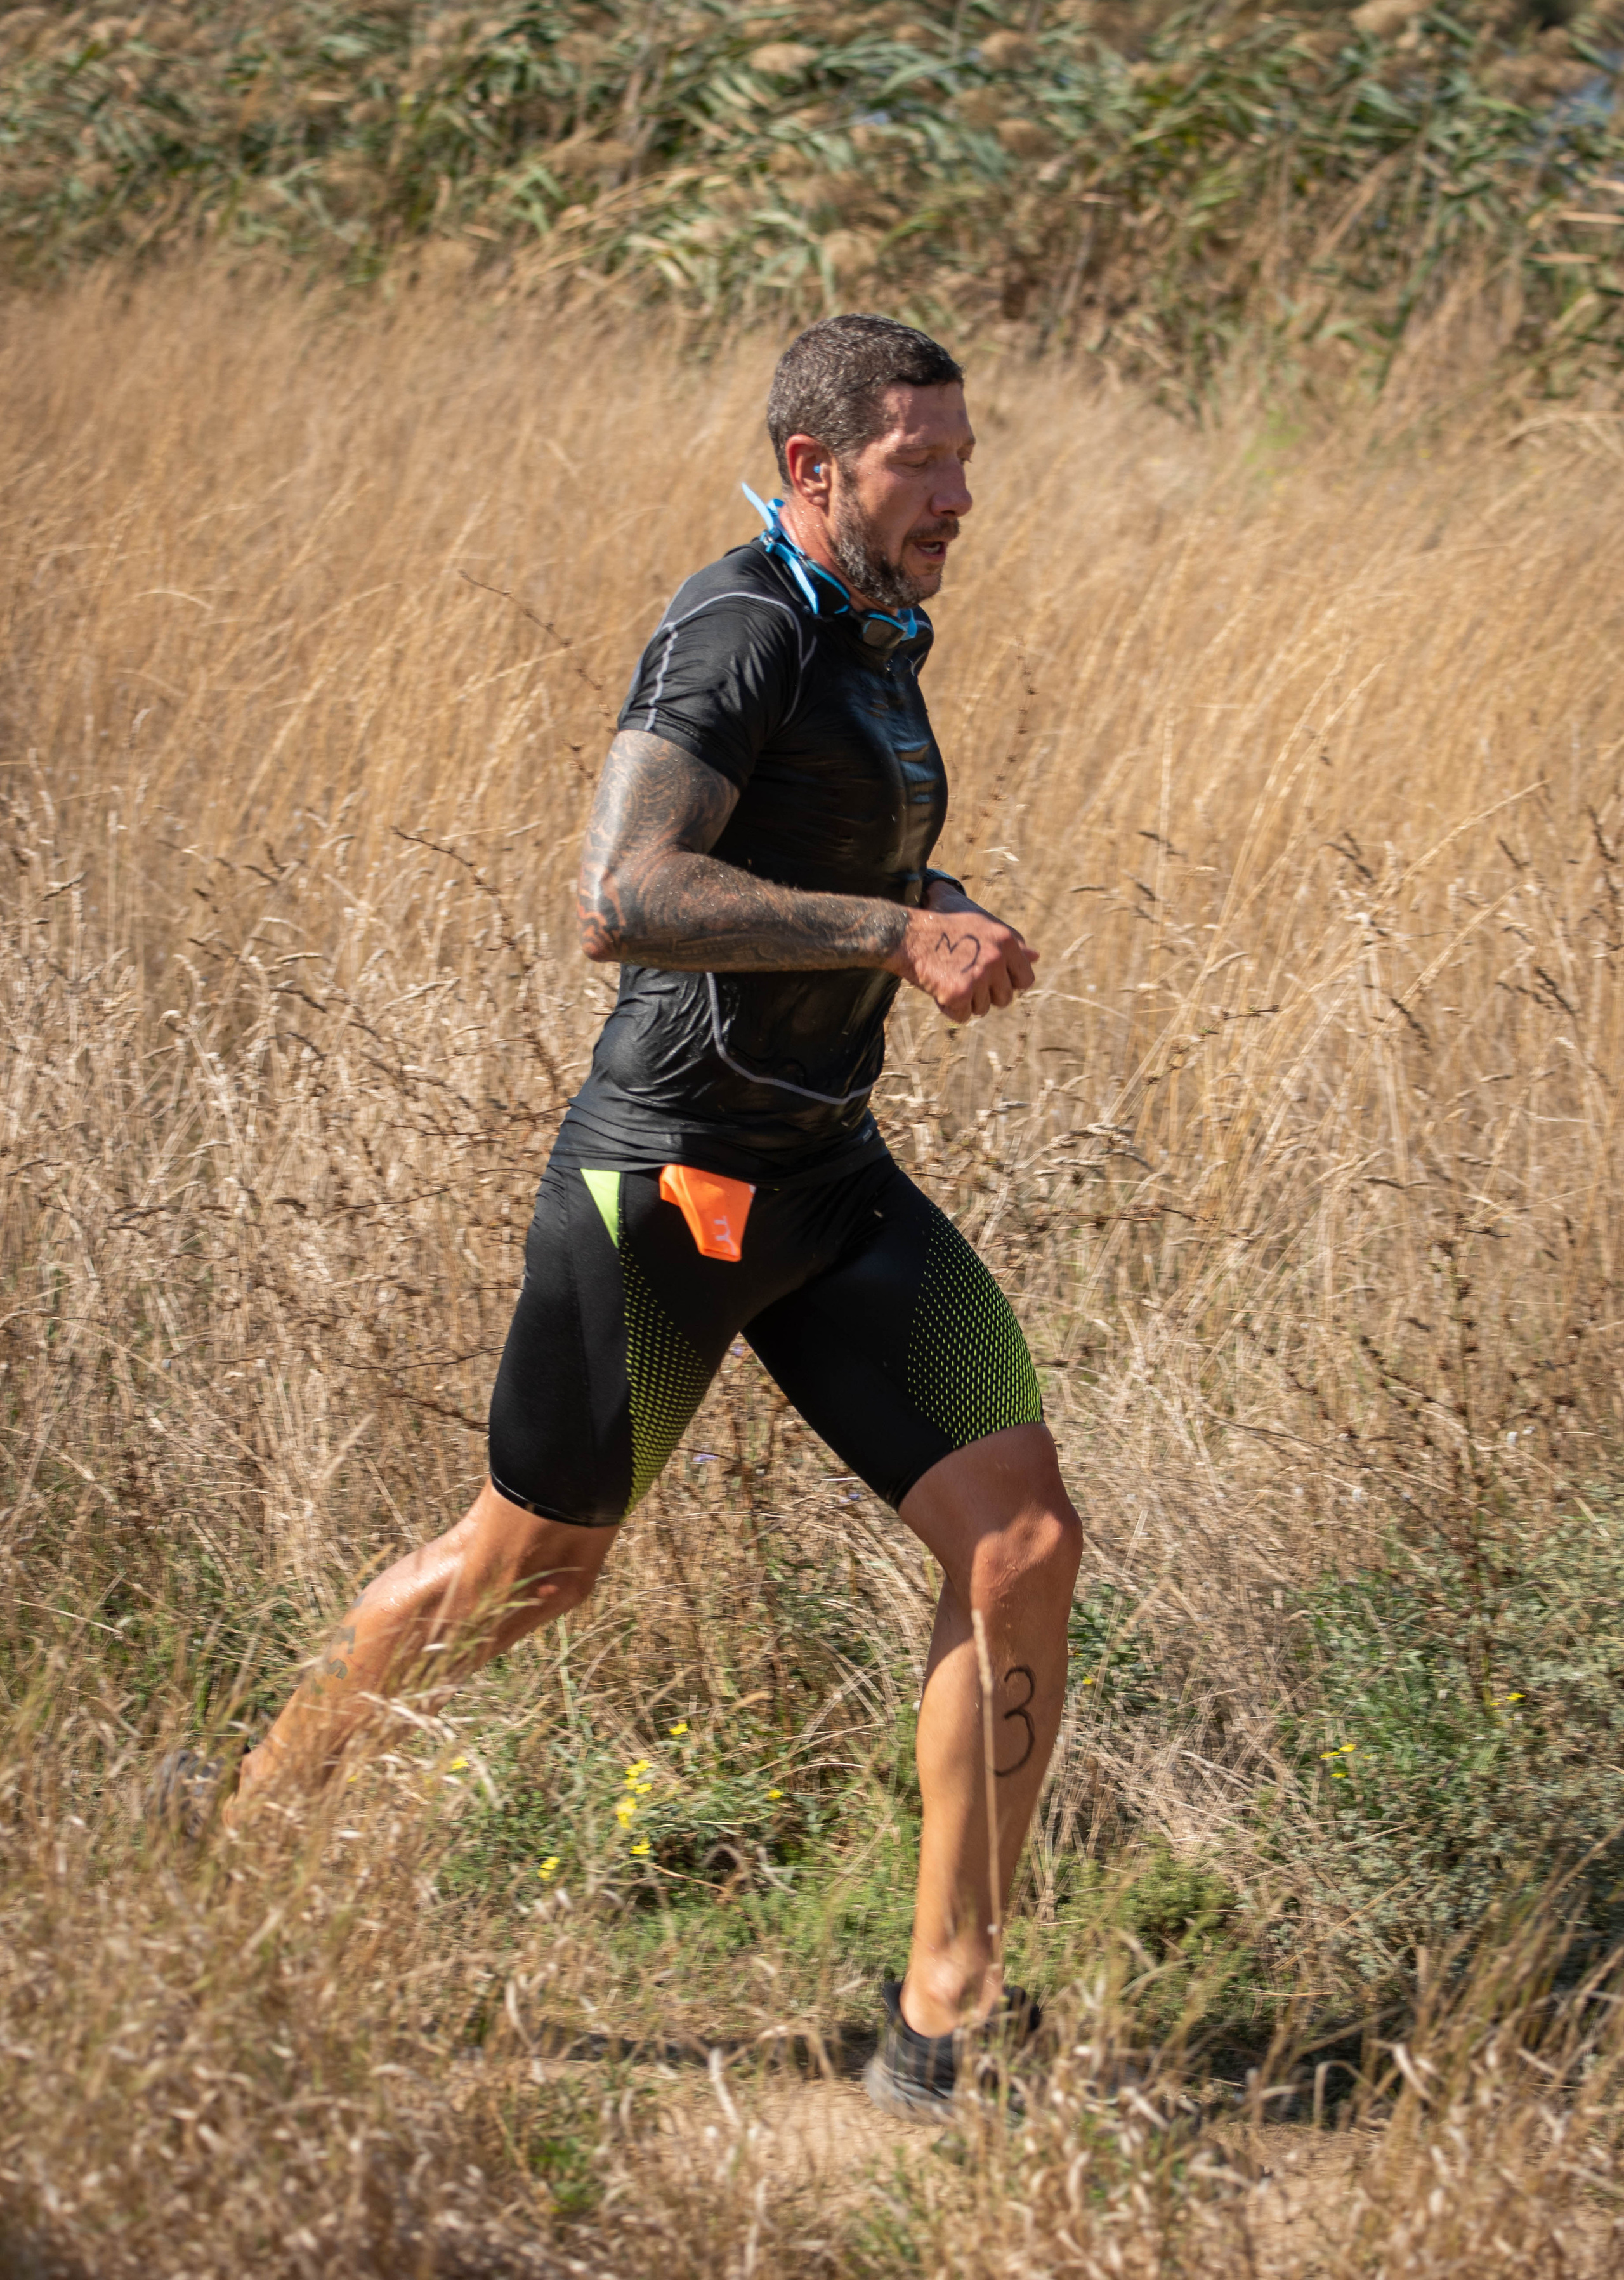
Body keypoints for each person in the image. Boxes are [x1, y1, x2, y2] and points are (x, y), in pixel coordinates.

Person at [164, 313, 1083, 2121]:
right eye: (923, 463)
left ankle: (945, 2011)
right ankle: (251, 1819)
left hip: (827, 1172)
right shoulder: (741, 625)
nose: (959, 497)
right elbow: (623, 893)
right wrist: (899, 932)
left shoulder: (869, 632)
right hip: (669, 1181)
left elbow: (810, 850)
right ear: (816, 468)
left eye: (967, 461)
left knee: (1023, 1543)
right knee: (531, 1572)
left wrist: (938, 895)